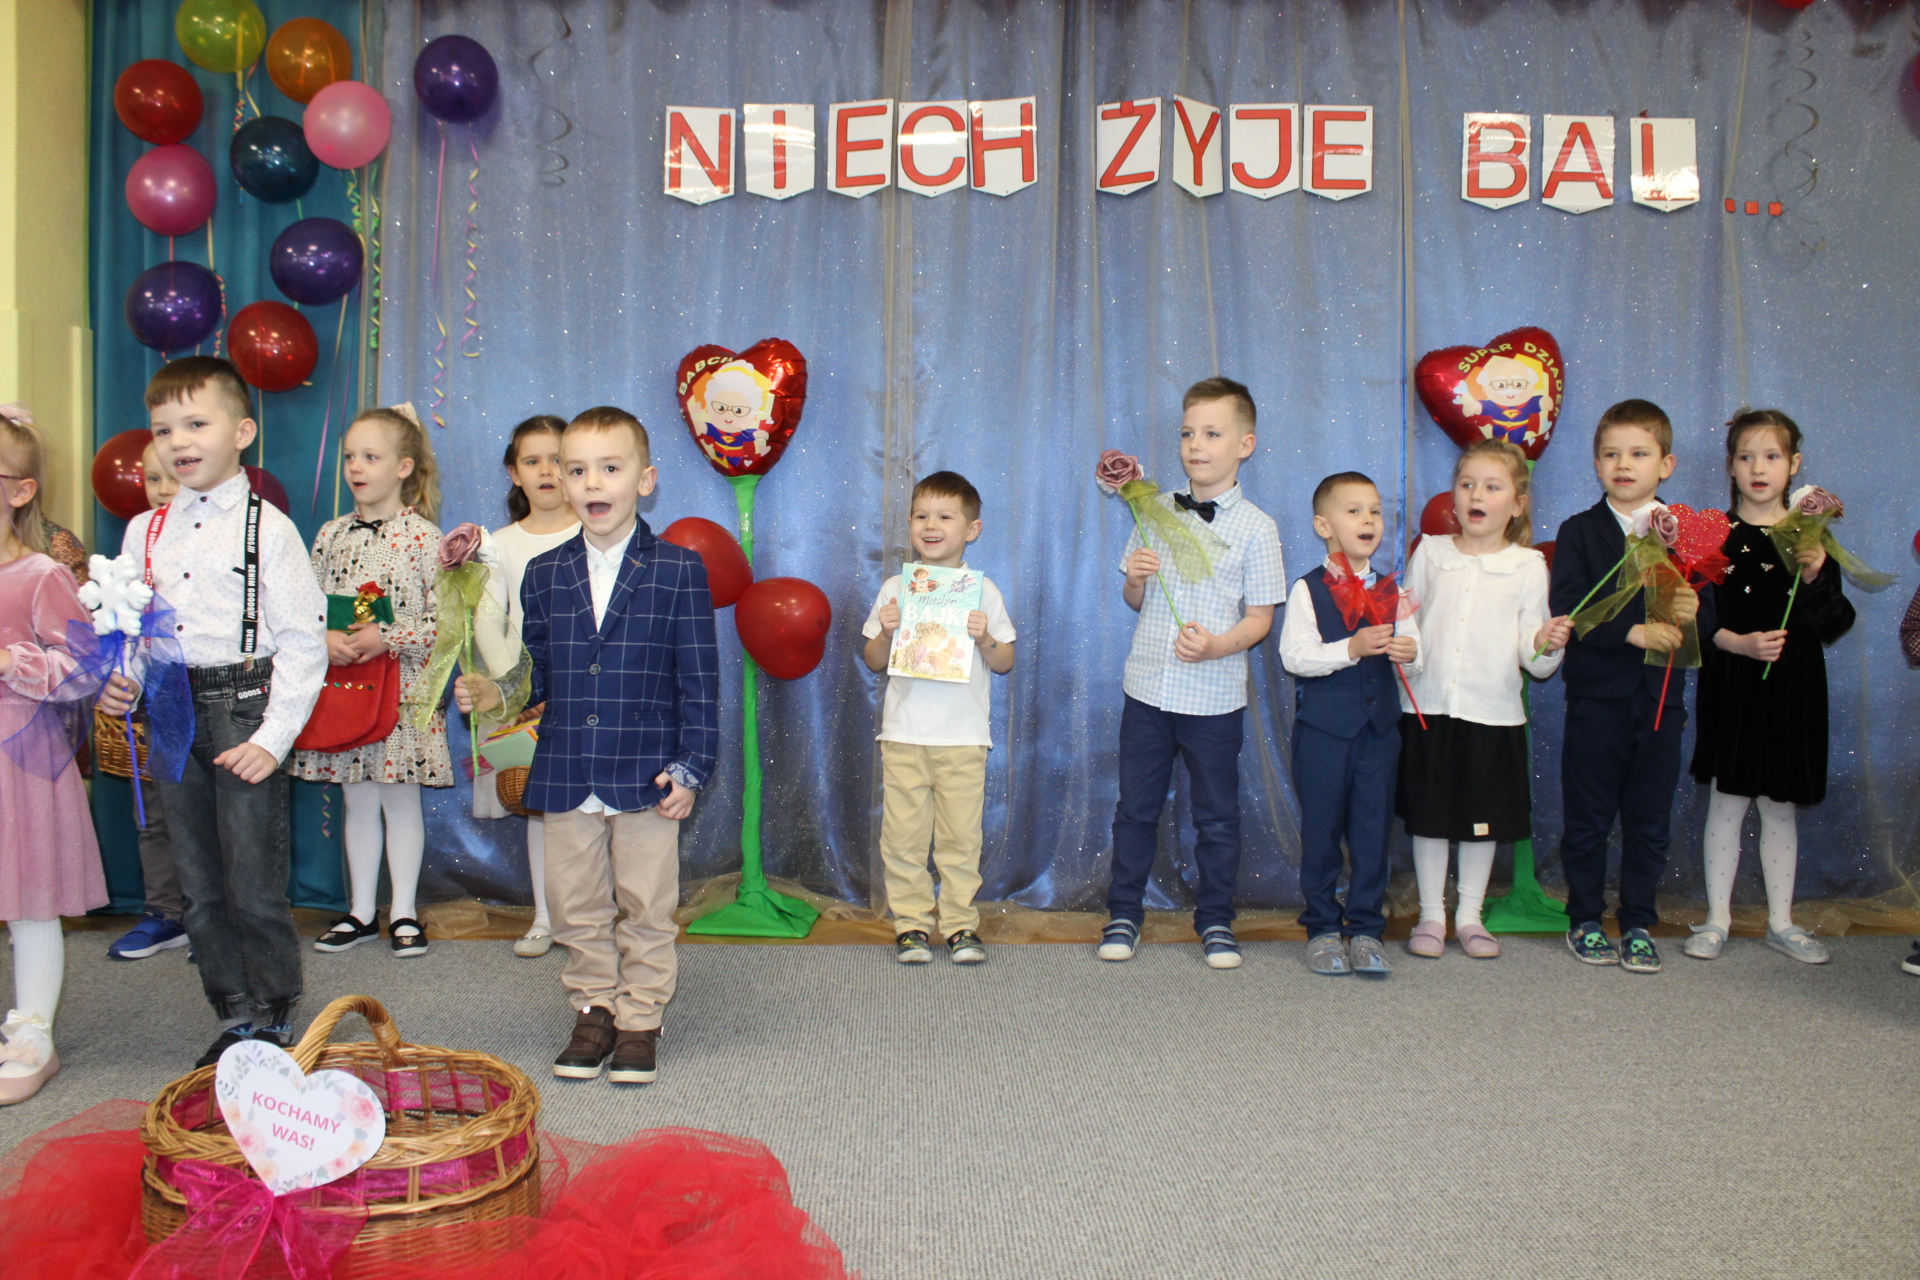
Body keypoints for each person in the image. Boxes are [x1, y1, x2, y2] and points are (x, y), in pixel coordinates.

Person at [457, 406, 718, 1085]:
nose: (592, 483)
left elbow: (699, 678)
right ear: (562, 482)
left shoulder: (679, 570)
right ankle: (594, 1004)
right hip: (568, 763)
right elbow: (535, 674)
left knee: (646, 901)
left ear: (645, 480)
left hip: (648, 770)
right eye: (576, 470)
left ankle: (641, 1016)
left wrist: (692, 766)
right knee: (575, 902)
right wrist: (496, 692)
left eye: (610, 468)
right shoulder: (545, 573)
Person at [98, 357, 327, 1067]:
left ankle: (275, 1011)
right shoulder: (144, 531)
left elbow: (303, 642)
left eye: (196, 423)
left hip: (243, 706)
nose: (178, 441)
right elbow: (137, 631)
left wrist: (273, 738)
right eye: (164, 428)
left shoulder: (269, 529)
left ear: (242, 432)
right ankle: (233, 1013)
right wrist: (122, 679)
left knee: (252, 881)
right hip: (171, 708)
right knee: (198, 884)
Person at [1098, 376, 1286, 970]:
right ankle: (1124, 912)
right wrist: (1135, 578)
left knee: (1217, 816)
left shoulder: (1258, 528)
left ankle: (1216, 918)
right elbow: (1136, 600)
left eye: (1212, 433)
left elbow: (1261, 619)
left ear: (1245, 445)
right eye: (1187, 433)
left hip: (1214, 699)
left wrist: (1217, 646)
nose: (1196, 445)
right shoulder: (1152, 509)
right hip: (1147, 690)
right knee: (1135, 809)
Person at [1549, 399, 1714, 974]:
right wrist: (1632, 632)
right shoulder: (1579, 531)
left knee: (1649, 820)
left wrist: (1695, 613)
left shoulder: (1686, 534)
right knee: (1589, 817)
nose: (1624, 464)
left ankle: (1639, 921)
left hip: (1662, 702)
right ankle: (1585, 918)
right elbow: (1570, 607)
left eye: (1639, 453)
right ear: (1596, 464)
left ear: (1665, 465)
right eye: (1611, 454)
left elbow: (1711, 620)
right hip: (1596, 701)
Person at [1684, 409, 1854, 965]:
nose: (1759, 468)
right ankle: (1717, 919)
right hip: (1733, 683)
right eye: (1746, 456)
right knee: (1727, 801)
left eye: (1772, 456)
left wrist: (1816, 573)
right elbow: (1695, 615)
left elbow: (1834, 622)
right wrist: (1737, 643)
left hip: (1791, 688)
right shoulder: (1713, 532)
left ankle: (1782, 922)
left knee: (1779, 807)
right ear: (1731, 466)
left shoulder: (1809, 538)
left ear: (1794, 464)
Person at [1396, 440, 1569, 960]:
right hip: (1429, 709)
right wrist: (1407, 651)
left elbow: (1532, 656)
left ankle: (1469, 915)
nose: (1477, 495)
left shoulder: (1527, 566)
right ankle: (1431, 915)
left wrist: (1547, 644)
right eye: (1467, 484)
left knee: (1481, 820)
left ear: (1517, 504)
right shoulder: (1431, 552)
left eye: (1492, 487)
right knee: (1430, 816)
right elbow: (1407, 617)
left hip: (1491, 714)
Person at [292, 406, 449, 959]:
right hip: (347, 692)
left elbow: (446, 622)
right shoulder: (330, 534)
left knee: (400, 799)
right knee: (356, 798)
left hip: (404, 692)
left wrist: (389, 636)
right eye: (350, 457)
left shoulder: (424, 539)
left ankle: (402, 911)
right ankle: (360, 912)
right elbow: (304, 608)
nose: (356, 467)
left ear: (404, 467)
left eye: (371, 457)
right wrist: (323, 638)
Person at [860, 471, 1017, 965]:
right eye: (921, 516)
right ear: (909, 524)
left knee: (960, 840)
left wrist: (984, 638)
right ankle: (910, 925)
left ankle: (959, 925)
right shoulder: (896, 588)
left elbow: (1005, 661)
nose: (931, 526)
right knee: (902, 838)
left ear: (971, 529)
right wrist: (887, 632)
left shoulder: (983, 592)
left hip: (963, 738)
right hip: (904, 735)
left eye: (945, 517)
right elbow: (873, 660)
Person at [0, 408, 108, 1102]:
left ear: (20, 490)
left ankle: (32, 1032)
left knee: (28, 892)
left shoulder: (39, 573)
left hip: (18, 753)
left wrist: (12, 661)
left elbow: (85, 666)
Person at [1278, 472, 1420, 976]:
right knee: (1322, 834)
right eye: (1354, 510)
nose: (1368, 519)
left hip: (1379, 736)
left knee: (1372, 835)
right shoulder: (1307, 589)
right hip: (1324, 734)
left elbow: (1414, 656)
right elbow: (1295, 657)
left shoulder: (1392, 588)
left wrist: (1411, 652)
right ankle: (1321, 927)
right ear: (1324, 525)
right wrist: (1351, 648)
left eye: (1375, 511)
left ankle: (1365, 929)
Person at [474, 416, 578, 958]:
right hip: (528, 700)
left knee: (592, 811)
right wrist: (517, 692)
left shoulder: (593, 533)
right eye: (532, 461)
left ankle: (591, 916)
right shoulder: (500, 545)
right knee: (539, 806)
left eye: (557, 459)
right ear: (515, 473)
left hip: (587, 693)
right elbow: (489, 620)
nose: (546, 471)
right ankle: (544, 917)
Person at [105, 441, 189, 960]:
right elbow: (130, 620)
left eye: (172, 478)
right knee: (156, 807)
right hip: (160, 686)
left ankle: (215, 916)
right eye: (153, 479)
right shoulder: (141, 532)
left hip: (216, 684)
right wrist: (126, 676)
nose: (162, 490)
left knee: (214, 811)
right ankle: (164, 912)